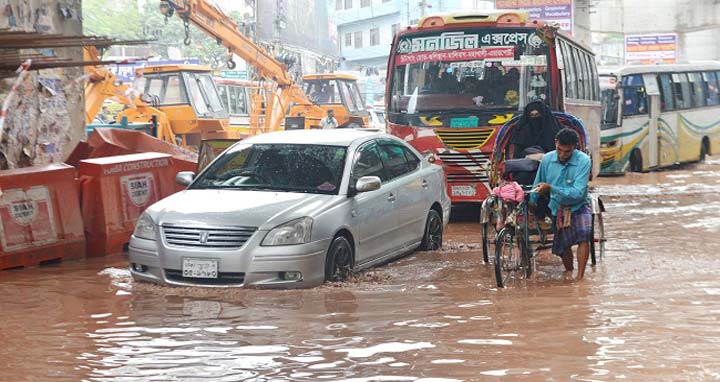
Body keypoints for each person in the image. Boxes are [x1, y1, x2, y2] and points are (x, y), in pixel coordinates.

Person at [530, 128, 592, 280]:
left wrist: (552, 188)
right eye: (560, 150)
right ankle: (569, 271)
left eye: (567, 151)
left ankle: (580, 278)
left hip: (579, 204)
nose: (563, 155)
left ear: (575, 148)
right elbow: (538, 183)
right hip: (557, 207)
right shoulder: (547, 160)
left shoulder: (583, 161)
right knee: (564, 245)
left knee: (584, 235)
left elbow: (578, 192)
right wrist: (531, 203)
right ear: (555, 144)